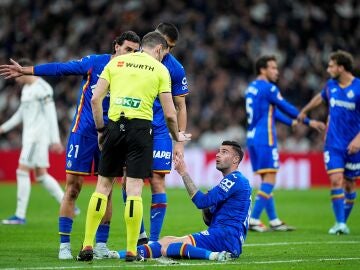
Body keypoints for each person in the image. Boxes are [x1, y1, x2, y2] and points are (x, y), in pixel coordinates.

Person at [0, 31, 141, 259]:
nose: (132, 55)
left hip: (111, 136)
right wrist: (30, 70)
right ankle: (64, 245)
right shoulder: (96, 63)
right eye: (128, 49)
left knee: (106, 191)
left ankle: (101, 246)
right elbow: (62, 68)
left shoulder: (134, 72)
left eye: (136, 52)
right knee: (73, 188)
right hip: (84, 133)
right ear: (116, 46)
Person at [76, 31, 191, 262]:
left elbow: (96, 99)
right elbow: (170, 113)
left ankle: (87, 244)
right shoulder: (160, 70)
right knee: (136, 190)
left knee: (103, 187)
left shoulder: (116, 61)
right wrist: (175, 134)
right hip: (141, 131)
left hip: (115, 127)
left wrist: (101, 130)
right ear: (159, 49)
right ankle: (131, 250)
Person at [116, 141, 251, 261]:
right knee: (166, 240)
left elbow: (201, 202)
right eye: (218, 151)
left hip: (225, 236)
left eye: (224, 152)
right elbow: (208, 218)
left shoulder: (235, 179)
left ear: (235, 159)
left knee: (167, 248)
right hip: (222, 234)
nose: (217, 155)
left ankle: (215, 256)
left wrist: (184, 173)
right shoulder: (233, 181)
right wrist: (209, 210)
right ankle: (117, 255)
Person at [122, 22, 189, 246]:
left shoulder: (175, 68)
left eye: (171, 47)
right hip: (133, 125)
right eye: (165, 45)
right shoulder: (131, 59)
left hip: (160, 130)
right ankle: (139, 236)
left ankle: (152, 242)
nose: (166, 51)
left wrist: (178, 141)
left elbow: (180, 106)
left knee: (158, 181)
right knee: (128, 181)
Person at [245, 55, 325, 232]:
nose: (277, 71)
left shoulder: (251, 88)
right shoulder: (269, 88)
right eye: (273, 68)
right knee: (271, 179)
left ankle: (273, 220)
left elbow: (270, 112)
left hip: (252, 138)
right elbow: (286, 107)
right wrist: (307, 121)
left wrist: (291, 123)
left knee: (266, 179)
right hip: (265, 138)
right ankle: (253, 218)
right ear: (262, 70)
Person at [298, 50, 360, 235]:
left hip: (354, 144)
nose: (328, 69)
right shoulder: (330, 85)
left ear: (341, 67)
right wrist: (304, 111)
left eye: (331, 65)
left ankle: (343, 222)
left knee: (350, 184)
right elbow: (320, 97)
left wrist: (358, 139)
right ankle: (340, 223)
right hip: (333, 143)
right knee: (336, 180)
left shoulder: (358, 87)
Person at [0, 58, 65, 225]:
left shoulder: (43, 88)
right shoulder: (27, 89)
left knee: (22, 171)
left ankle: (20, 216)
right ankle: (68, 204)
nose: (16, 79)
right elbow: (21, 113)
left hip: (37, 138)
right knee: (41, 175)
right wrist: (3, 128)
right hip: (30, 137)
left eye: (17, 74)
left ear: (23, 69)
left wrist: (55, 140)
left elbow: (51, 114)